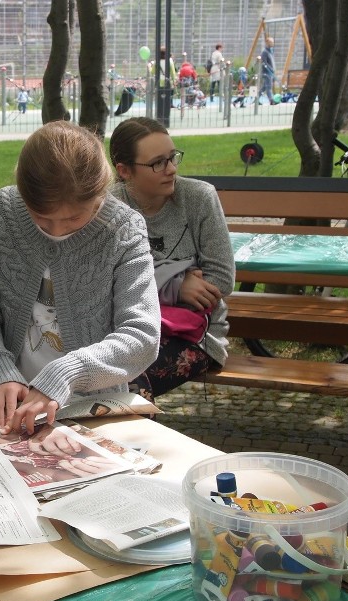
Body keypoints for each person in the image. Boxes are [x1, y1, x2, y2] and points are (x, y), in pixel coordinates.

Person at [0, 120, 160, 435]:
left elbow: (142, 336)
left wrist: (65, 374)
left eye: (74, 219)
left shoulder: (124, 229)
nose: (57, 231)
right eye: (41, 218)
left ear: (100, 193)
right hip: (11, 400)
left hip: (96, 408)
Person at [109, 117, 235, 402]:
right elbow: (104, 281)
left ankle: (132, 447)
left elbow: (221, 280)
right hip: (125, 327)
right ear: (124, 170)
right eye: (158, 163)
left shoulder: (199, 198)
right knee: (95, 374)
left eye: (172, 158)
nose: (171, 169)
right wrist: (178, 285)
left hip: (193, 335)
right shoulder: (109, 207)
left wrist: (146, 280)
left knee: (129, 383)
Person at [260, 36, 276, 104]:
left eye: (273, 42)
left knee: (264, 87)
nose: (272, 43)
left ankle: (256, 98)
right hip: (267, 73)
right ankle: (271, 100)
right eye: (271, 42)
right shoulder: (265, 52)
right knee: (269, 87)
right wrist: (270, 69)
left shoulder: (271, 52)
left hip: (271, 72)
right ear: (267, 43)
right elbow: (264, 62)